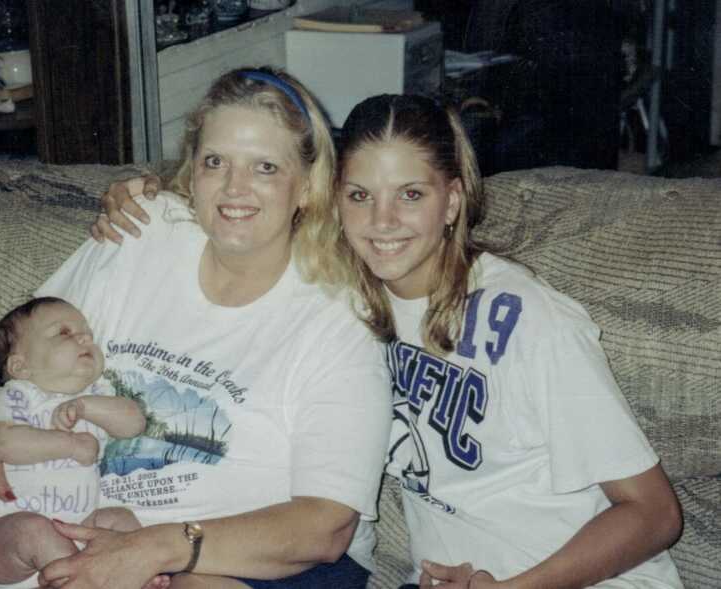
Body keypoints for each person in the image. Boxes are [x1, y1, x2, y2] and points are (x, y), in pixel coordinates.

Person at [93, 93, 684, 588]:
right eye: (359, 196)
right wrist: (145, 193)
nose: (382, 223)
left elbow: (655, 514)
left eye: (410, 194)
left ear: (452, 201)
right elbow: (240, 209)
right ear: (331, 200)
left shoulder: (529, 317)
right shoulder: (340, 294)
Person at [0, 67, 392, 589]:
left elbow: (327, 527)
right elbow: (30, 354)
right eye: (215, 162)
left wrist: (156, 548)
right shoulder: (145, 232)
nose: (234, 188)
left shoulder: (336, 319)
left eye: (266, 167)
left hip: (258, 562)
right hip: (83, 534)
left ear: (307, 185)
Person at [0, 296, 147, 589]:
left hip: (78, 530)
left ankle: (140, 578)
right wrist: (69, 445)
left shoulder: (96, 394)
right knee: (35, 530)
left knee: (121, 519)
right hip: (7, 540)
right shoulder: (17, 395)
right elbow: (5, 444)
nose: (84, 338)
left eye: (87, 335)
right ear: (20, 366)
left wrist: (86, 407)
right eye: (64, 333)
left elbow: (134, 423)